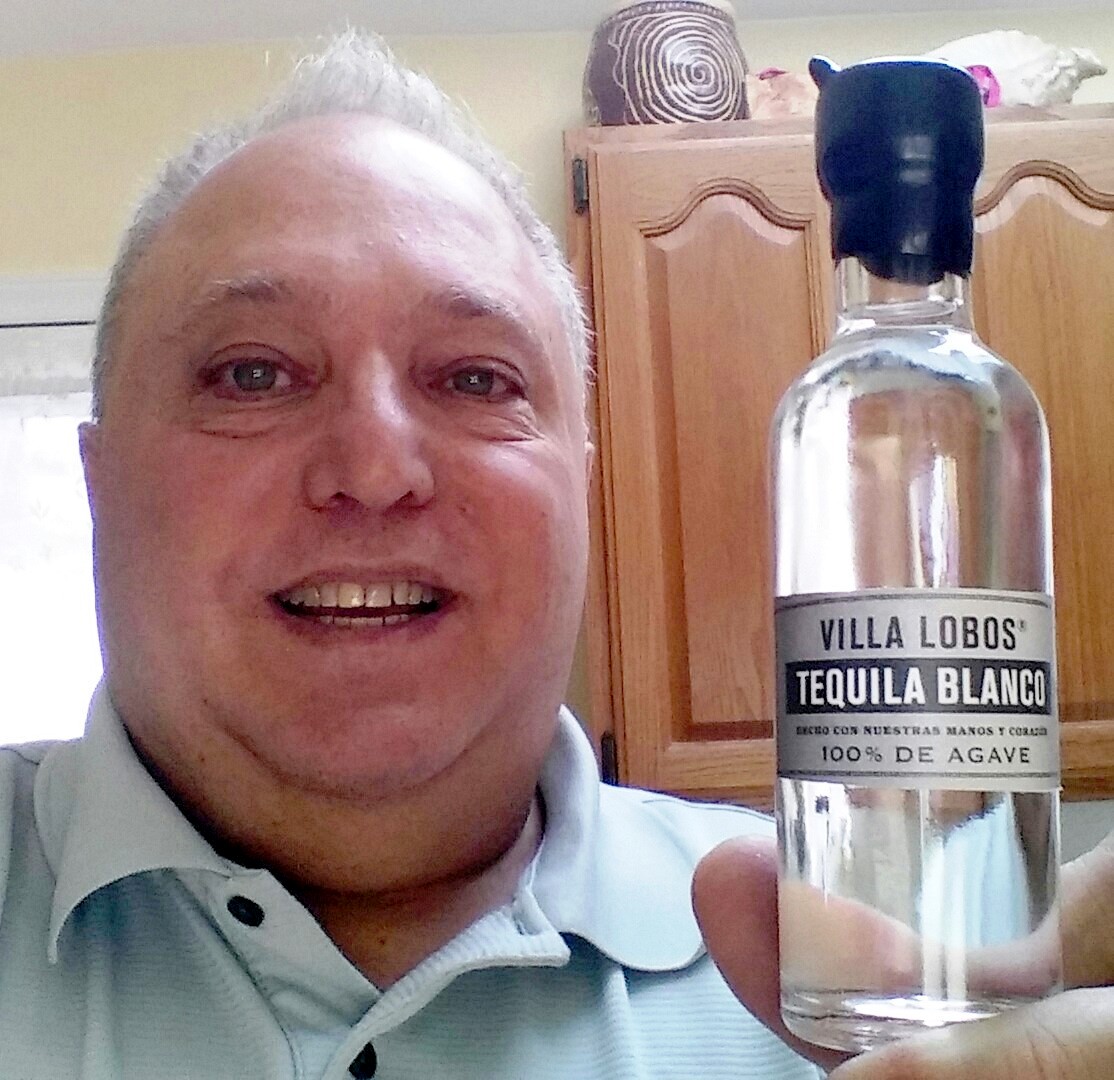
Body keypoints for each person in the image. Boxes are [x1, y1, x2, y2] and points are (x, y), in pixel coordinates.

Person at [0, 30, 1110, 1080]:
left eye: (476, 378)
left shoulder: (867, 982)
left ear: (582, 485)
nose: (375, 469)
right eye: (252, 374)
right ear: (97, 481)